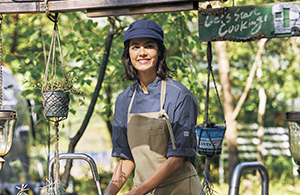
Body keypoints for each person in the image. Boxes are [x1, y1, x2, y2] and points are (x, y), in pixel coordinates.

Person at [104, 19, 202, 195]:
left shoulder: (179, 96)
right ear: (128, 54)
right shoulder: (124, 100)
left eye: (149, 46)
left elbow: (176, 160)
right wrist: (109, 193)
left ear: (159, 52)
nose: (142, 52)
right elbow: (126, 158)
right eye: (135, 47)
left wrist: (136, 192)